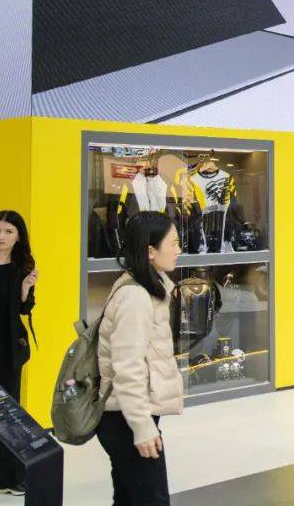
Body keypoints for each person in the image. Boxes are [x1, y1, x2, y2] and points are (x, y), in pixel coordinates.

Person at [97, 211, 184, 506]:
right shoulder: (136, 297)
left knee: (128, 498)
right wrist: (142, 426)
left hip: (128, 414)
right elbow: (127, 366)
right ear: (150, 251)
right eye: (173, 243)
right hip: (126, 417)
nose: (178, 250)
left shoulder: (144, 288)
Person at [0, 211, 38, 496]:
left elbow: (24, 309)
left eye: (8, 231)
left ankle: (12, 475)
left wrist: (25, 288)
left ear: (19, 237)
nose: (1, 236)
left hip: (7, 348)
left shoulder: (22, 268)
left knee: (8, 412)